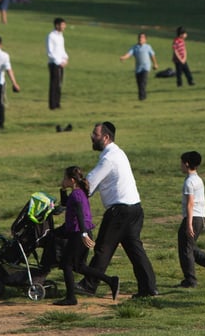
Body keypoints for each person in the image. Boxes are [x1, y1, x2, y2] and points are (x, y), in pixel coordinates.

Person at [78, 122, 158, 298]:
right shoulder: (118, 153)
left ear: (105, 138)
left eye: (95, 134)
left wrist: (75, 190)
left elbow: (89, 184)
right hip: (135, 209)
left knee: (103, 249)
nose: (92, 137)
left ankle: (89, 284)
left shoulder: (108, 159)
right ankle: (149, 288)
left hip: (120, 212)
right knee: (135, 250)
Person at [54, 166, 119, 306]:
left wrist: (83, 234)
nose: (63, 180)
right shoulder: (79, 193)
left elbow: (80, 215)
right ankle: (111, 280)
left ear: (72, 180)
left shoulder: (76, 195)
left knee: (66, 264)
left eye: (65, 178)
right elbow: (66, 204)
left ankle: (71, 298)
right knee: (79, 266)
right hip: (82, 232)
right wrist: (63, 189)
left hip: (79, 233)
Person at [177, 151, 205, 288]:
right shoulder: (198, 179)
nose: (180, 165)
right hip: (200, 217)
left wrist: (188, 224)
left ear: (187, 164)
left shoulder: (189, 182)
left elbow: (190, 203)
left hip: (193, 218)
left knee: (185, 249)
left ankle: (191, 280)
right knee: (189, 247)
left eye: (182, 163)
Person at [120, 32, 156, 101]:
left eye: (142, 37)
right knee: (139, 83)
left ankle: (142, 98)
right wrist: (124, 57)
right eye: (139, 37)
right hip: (138, 68)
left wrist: (155, 64)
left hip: (146, 67)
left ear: (145, 39)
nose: (140, 39)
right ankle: (143, 96)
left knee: (143, 81)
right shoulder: (135, 47)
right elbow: (129, 54)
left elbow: (152, 55)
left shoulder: (148, 47)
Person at [47, 18, 68, 110]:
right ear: (57, 25)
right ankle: (52, 104)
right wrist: (58, 62)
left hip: (61, 63)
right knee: (54, 84)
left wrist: (65, 58)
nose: (64, 27)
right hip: (54, 63)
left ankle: (57, 103)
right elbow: (50, 51)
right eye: (62, 25)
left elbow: (62, 49)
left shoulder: (61, 36)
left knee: (59, 83)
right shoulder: (51, 36)